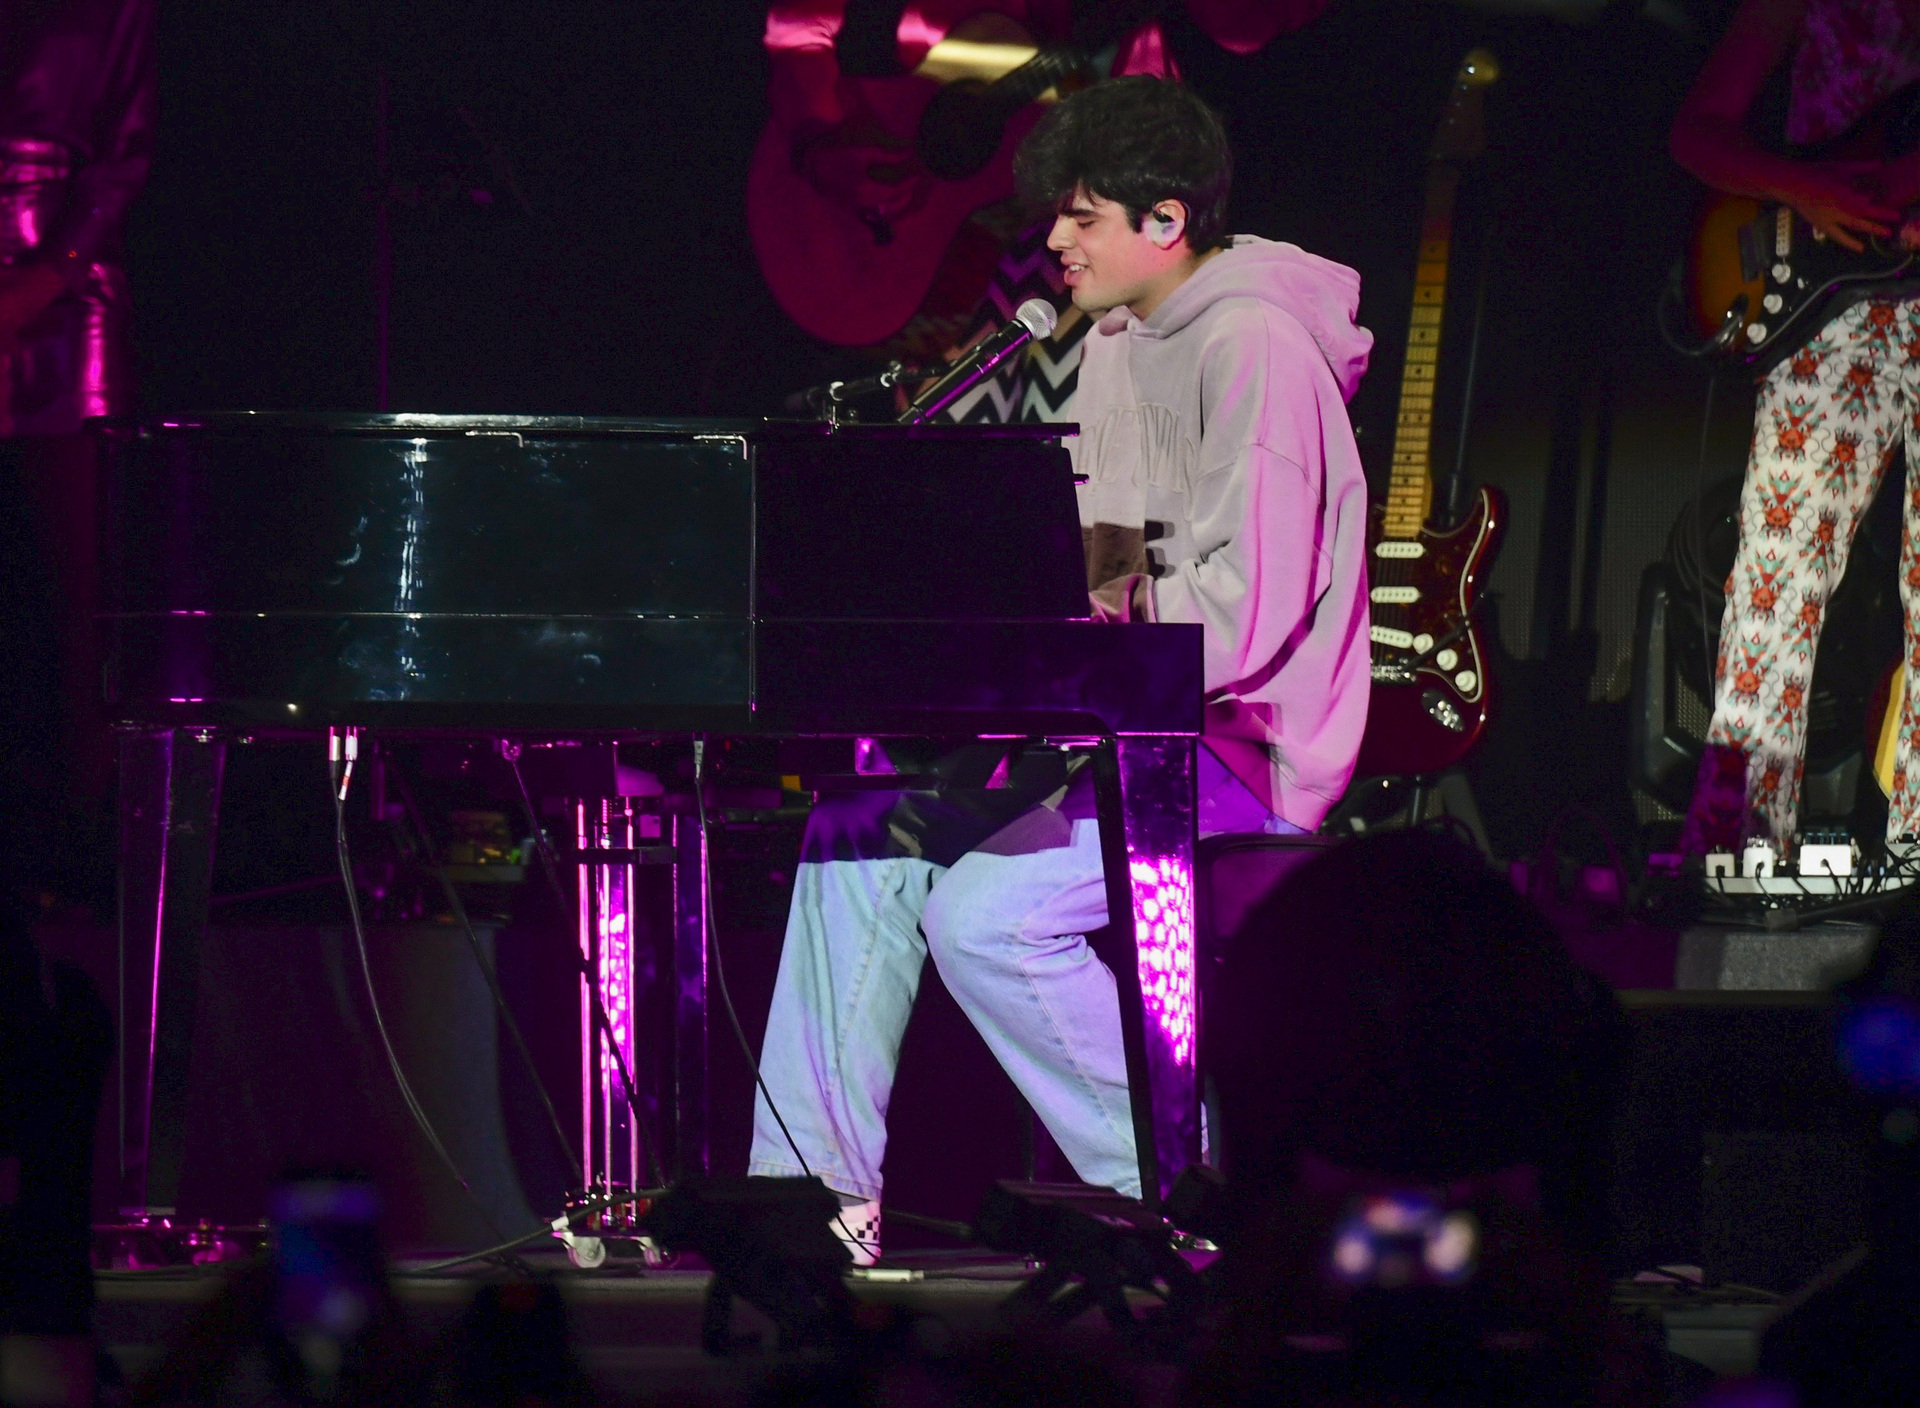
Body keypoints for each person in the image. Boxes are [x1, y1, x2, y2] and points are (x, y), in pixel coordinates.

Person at [747, 75, 1372, 1263]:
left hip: (1240, 749)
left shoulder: (1255, 346)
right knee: (856, 834)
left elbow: (1251, 613)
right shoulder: (1120, 345)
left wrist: (1080, 649)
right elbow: (1102, 562)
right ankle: (810, 1209)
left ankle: (1184, 1207)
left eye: (1083, 216)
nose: (1054, 241)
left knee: (989, 913)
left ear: (1168, 221)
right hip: (1120, 726)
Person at [1673, 0, 1920, 857]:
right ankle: (1735, 848)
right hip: (1831, 307)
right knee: (1774, 584)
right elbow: (1697, 132)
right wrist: (1800, 185)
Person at [0, 0, 155, 840]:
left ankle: (78, 839)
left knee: (82, 604)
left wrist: (36, 285)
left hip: (63, 295)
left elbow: (124, 157)